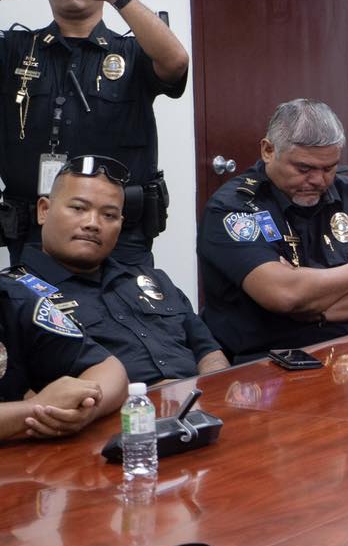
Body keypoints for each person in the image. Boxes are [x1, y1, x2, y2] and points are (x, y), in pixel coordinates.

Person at [0, 0, 190, 266]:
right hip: (34, 235)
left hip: (120, 237)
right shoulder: (15, 49)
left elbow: (176, 61)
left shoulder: (132, 52)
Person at [197, 99, 348, 361]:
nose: (318, 180)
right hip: (273, 363)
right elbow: (284, 293)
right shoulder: (234, 208)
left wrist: (321, 312)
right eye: (304, 168)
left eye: (329, 168)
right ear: (268, 150)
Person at [6, 155, 227, 385]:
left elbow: (208, 352)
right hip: (112, 415)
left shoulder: (152, 279)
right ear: (44, 210)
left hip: (198, 406)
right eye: (79, 208)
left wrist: (213, 392)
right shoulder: (15, 296)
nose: (93, 223)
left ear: (120, 223)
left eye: (109, 215)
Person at [0, 273, 127, 442]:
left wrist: (84, 409)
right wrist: (34, 409)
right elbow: (40, 407)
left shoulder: (13, 297)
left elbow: (107, 367)